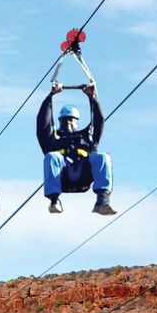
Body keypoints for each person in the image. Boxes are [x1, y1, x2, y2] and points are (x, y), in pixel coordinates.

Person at [36, 80, 116, 215]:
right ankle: (54, 200)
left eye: (71, 119)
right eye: (65, 120)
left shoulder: (86, 138)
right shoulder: (53, 140)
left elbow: (98, 122)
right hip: (63, 177)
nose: (68, 122)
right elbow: (42, 124)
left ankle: (102, 200)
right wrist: (51, 96)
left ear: (77, 122)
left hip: (83, 175)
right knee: (52, 156)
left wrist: (92, 98)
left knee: (102, 157)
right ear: (60, 121)